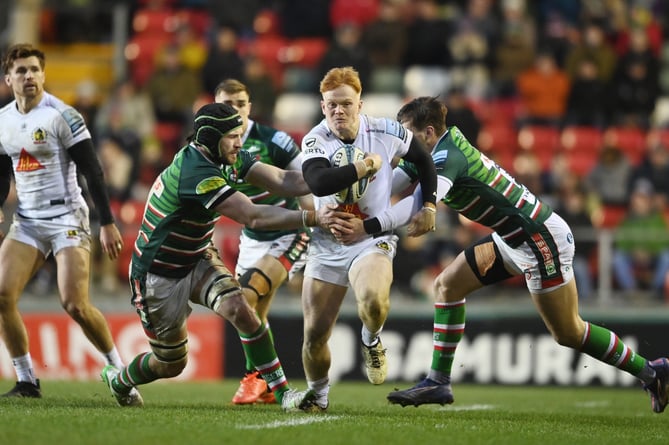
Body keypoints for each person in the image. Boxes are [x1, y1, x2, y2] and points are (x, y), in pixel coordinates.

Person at [334, 96, 669, 414]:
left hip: (538, 239)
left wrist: (369, 227)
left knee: (568, 331)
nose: (404, 143)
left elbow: (420, 201)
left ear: (429, 132)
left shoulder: (449, 156)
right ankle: (438, 382)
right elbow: (391, 185)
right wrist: (352, 197)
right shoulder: (429, 152)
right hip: (511, 238)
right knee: (447, 286)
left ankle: (652, 372)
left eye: (409, 134)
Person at [99, 102, 344, 412]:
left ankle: (284, 395)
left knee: (241, 308)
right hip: (158, 274)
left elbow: (284, 180)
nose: (240, 143)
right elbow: (253, 216)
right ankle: (120, 380)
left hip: (197, 255)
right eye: (233, 136)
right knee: (170, 363)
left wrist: (337, 177)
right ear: (212, 138)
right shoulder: (196, 172)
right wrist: (314, 217)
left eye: (240, 135)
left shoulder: (224, 155)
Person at [0, 43, 141, 404]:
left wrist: (107, 222)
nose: (29, 76)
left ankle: (120, 375)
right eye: (21, 70)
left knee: (74, 303)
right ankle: (27, 380)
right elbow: (3, 171)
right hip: (28, 220)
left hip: (66, 217)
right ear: (8, 78)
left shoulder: (62, 115)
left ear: (44, 75)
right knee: (1, 296)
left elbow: (92, 169)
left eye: (34, 69)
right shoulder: (3, 120)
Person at [298, 66, 439, 412]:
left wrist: (431, 206)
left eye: (346, 103)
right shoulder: (315, 138)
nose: (338, 111)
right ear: (322, 106)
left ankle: (370, 338)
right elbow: (318, 183)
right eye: (331, 105)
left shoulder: (385, 130)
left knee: (374, 302)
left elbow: (424, 160)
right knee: (315, 335)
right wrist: (365, 167)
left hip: (370, 239)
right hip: (327, 244)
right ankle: (318, 394)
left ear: (360, 104)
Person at [214, 78, 314, 405]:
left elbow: (307, 179)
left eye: (241, 104)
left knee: (246, 296)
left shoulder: (273, 140)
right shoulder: (211, 146)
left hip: (289, 233)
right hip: (252, 239)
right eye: (227, 105)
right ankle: (269, 385)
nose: (236, 110)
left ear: (250, 107)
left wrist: (319, 216)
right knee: (254, 311)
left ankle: (253, 378)